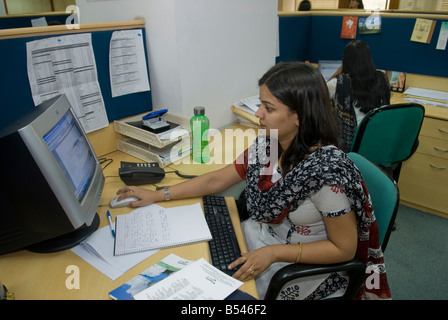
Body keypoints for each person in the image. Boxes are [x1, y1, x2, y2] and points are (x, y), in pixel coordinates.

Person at [115, 62, 391, 300]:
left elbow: (344, 249)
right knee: (190, 268)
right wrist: (159, 194)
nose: (258, 113)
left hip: (299, 268)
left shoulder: (326, 176)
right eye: (260, 103)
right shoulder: (270, 145)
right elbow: (216, 180)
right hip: (261, 243)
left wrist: (274, 253)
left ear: (298, 116)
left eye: (268, 108)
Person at [327, 40, 390, 152]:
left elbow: (321, 93)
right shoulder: (381, 78)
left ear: (345, 60)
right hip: (376, 139)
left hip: (349, 144)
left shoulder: (338, 83)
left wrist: (338, 72)